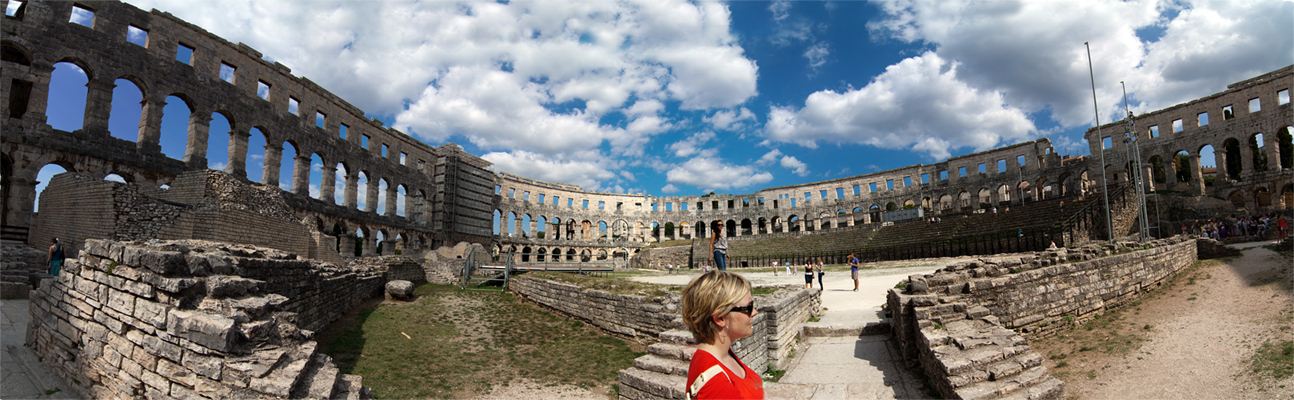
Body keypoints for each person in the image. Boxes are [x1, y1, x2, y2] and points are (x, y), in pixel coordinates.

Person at [681, 271, 764, 399]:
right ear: (720, 318)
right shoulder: (717, 387)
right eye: (748, 307)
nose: (754, 312)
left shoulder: (719, 354)